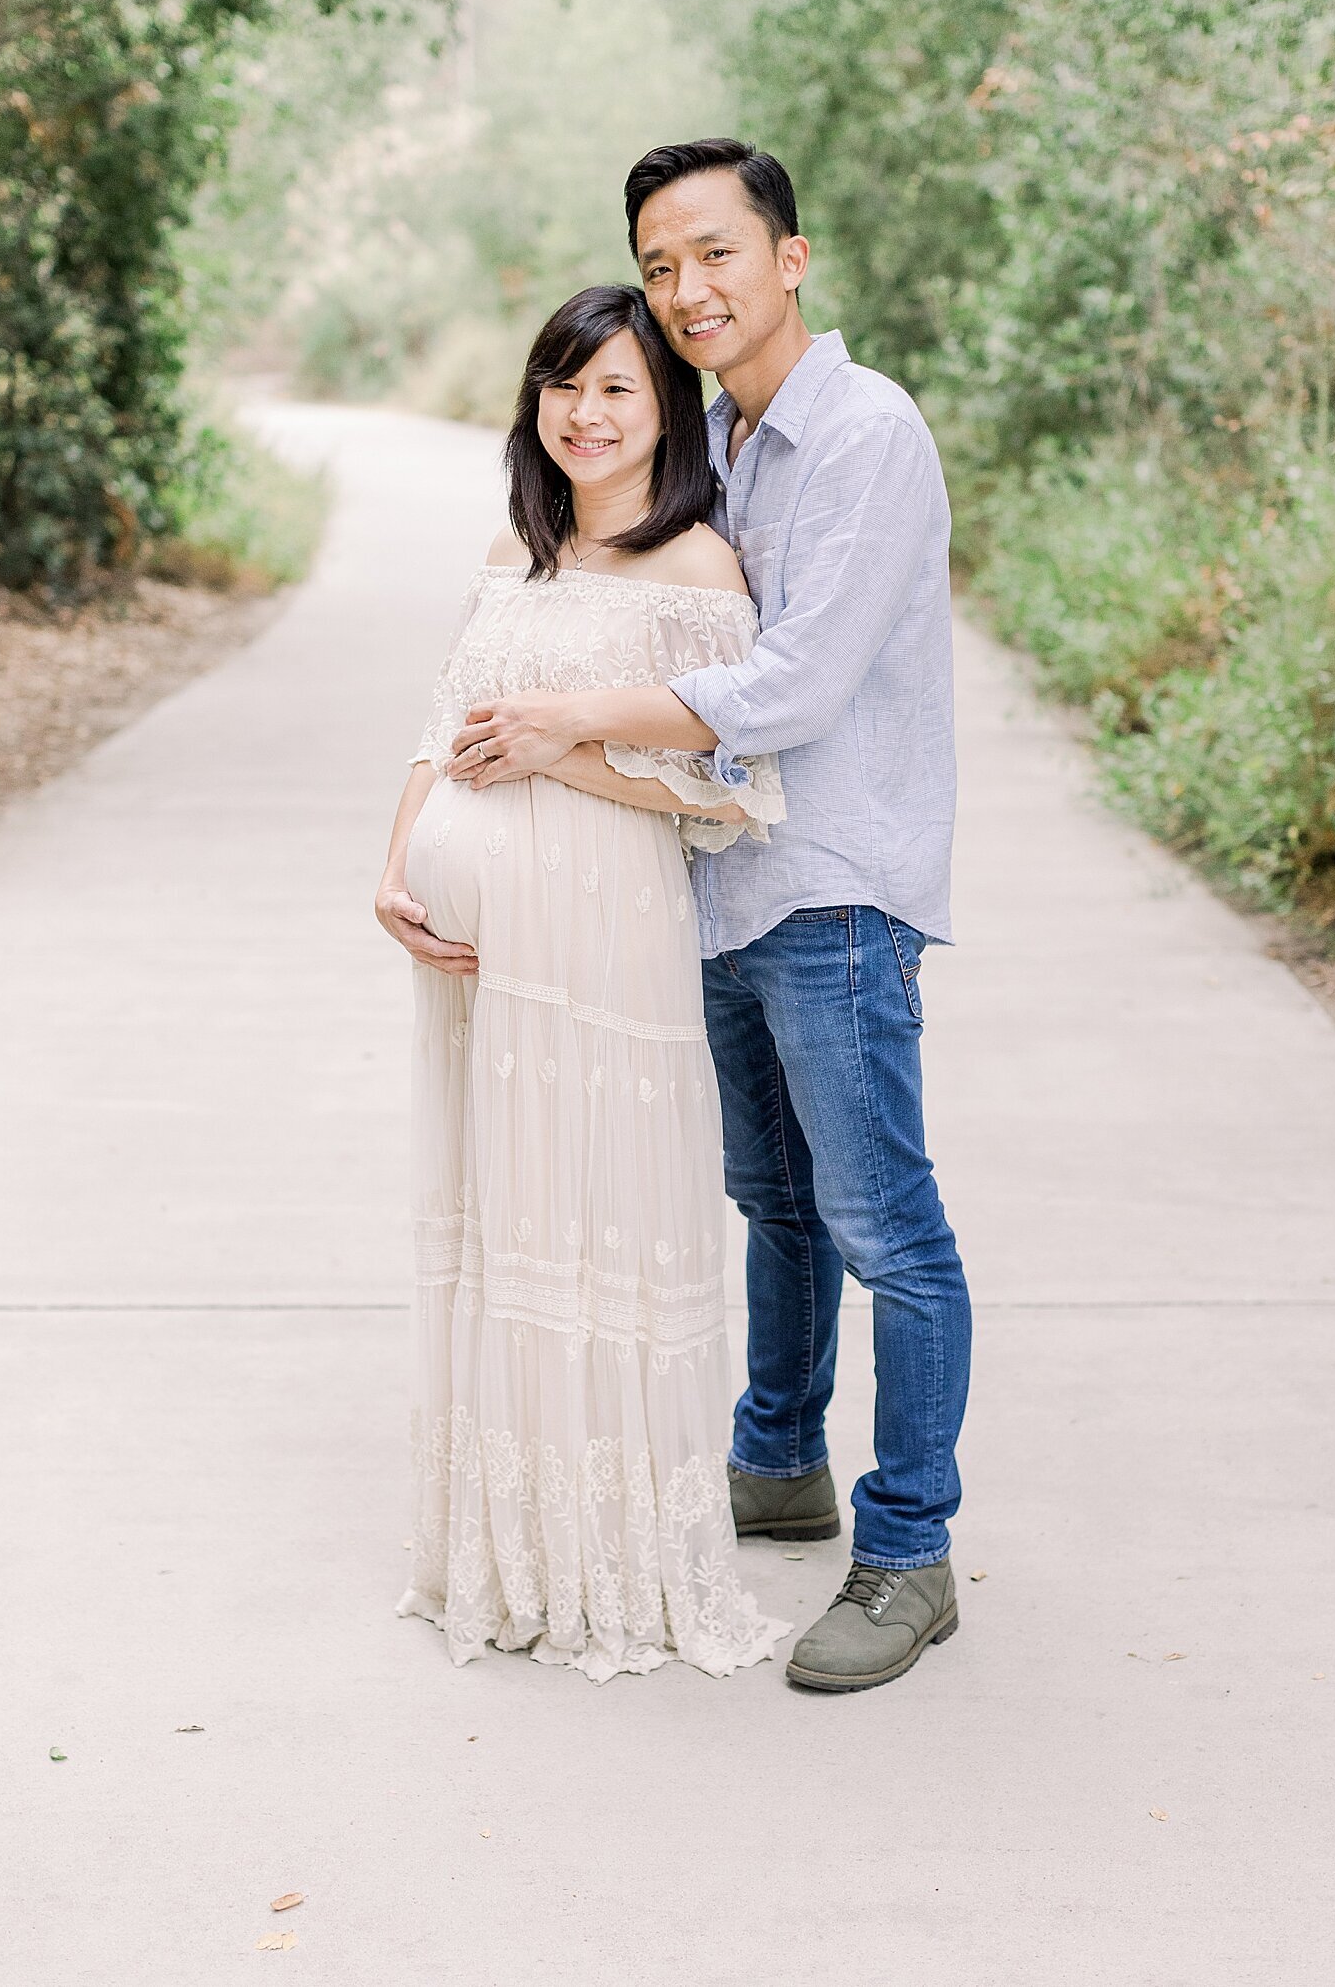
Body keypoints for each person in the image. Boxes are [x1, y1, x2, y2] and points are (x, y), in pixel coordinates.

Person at [447, 139, 971, 1694]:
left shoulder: (865, 436)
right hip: (723, 890)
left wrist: (564, 718)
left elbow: (793, 687)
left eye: (716, 255)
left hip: (837, 886)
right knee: (775, 1200)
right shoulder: (720, 440)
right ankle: (777, 1459)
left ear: (791, 258)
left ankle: (910, 1549)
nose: (687, 289)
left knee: (885, 1221)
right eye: (660, 263)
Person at [374, 282, 789, 1682]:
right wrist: (394, 866)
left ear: (663, 407)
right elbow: (444, 724)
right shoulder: (518, 547)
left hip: (605, 946)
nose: (587, 412)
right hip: (480, 960)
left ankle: (605, 1552)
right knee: (501, 1212)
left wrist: (566, 759)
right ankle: (510, 1541)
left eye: (617, 387)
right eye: (564, 384)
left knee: (593, 1212)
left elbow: (732, 792)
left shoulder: (699, 574)